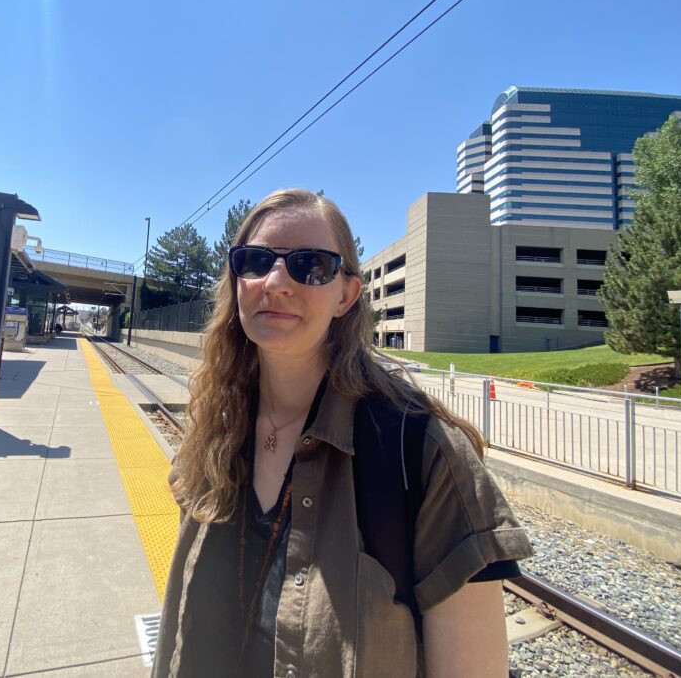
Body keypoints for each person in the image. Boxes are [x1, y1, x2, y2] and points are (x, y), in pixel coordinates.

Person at [151, 189, 533, 678]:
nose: (276, 281)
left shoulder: (422, 451)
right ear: (236, 280)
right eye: (255, 260)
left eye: (310, 265)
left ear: (346, 296)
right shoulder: (215, 428)